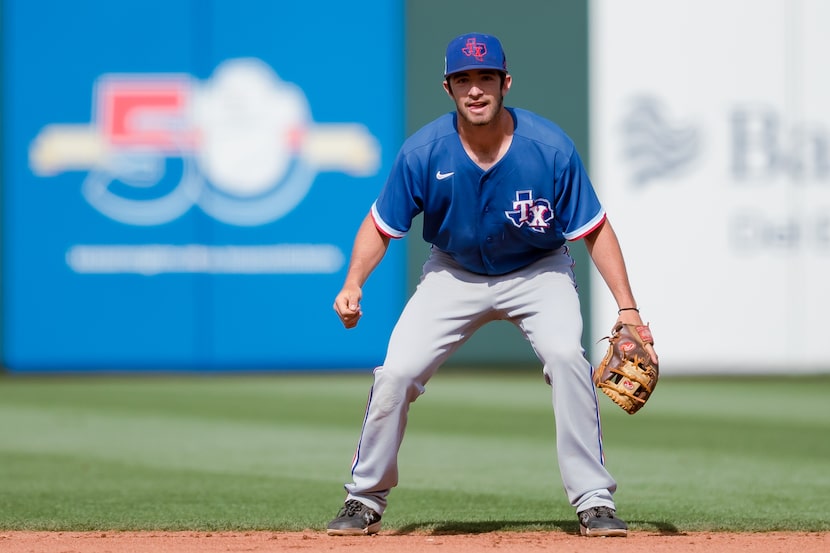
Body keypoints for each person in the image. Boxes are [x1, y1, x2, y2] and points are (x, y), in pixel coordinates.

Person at [326, 32, 658, 538]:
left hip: (538, 270)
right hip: (453, 272)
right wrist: (354, 282)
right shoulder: (424, 152)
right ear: (448, 87)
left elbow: (595, 229)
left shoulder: (548, 149)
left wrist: (628, 310)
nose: (475, 89)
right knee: (395, 373)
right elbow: (380, 223)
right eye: (464, 79)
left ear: (505, 83)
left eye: (485, 78)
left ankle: (594, 501)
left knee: (568, 358)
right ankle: (363, 499)